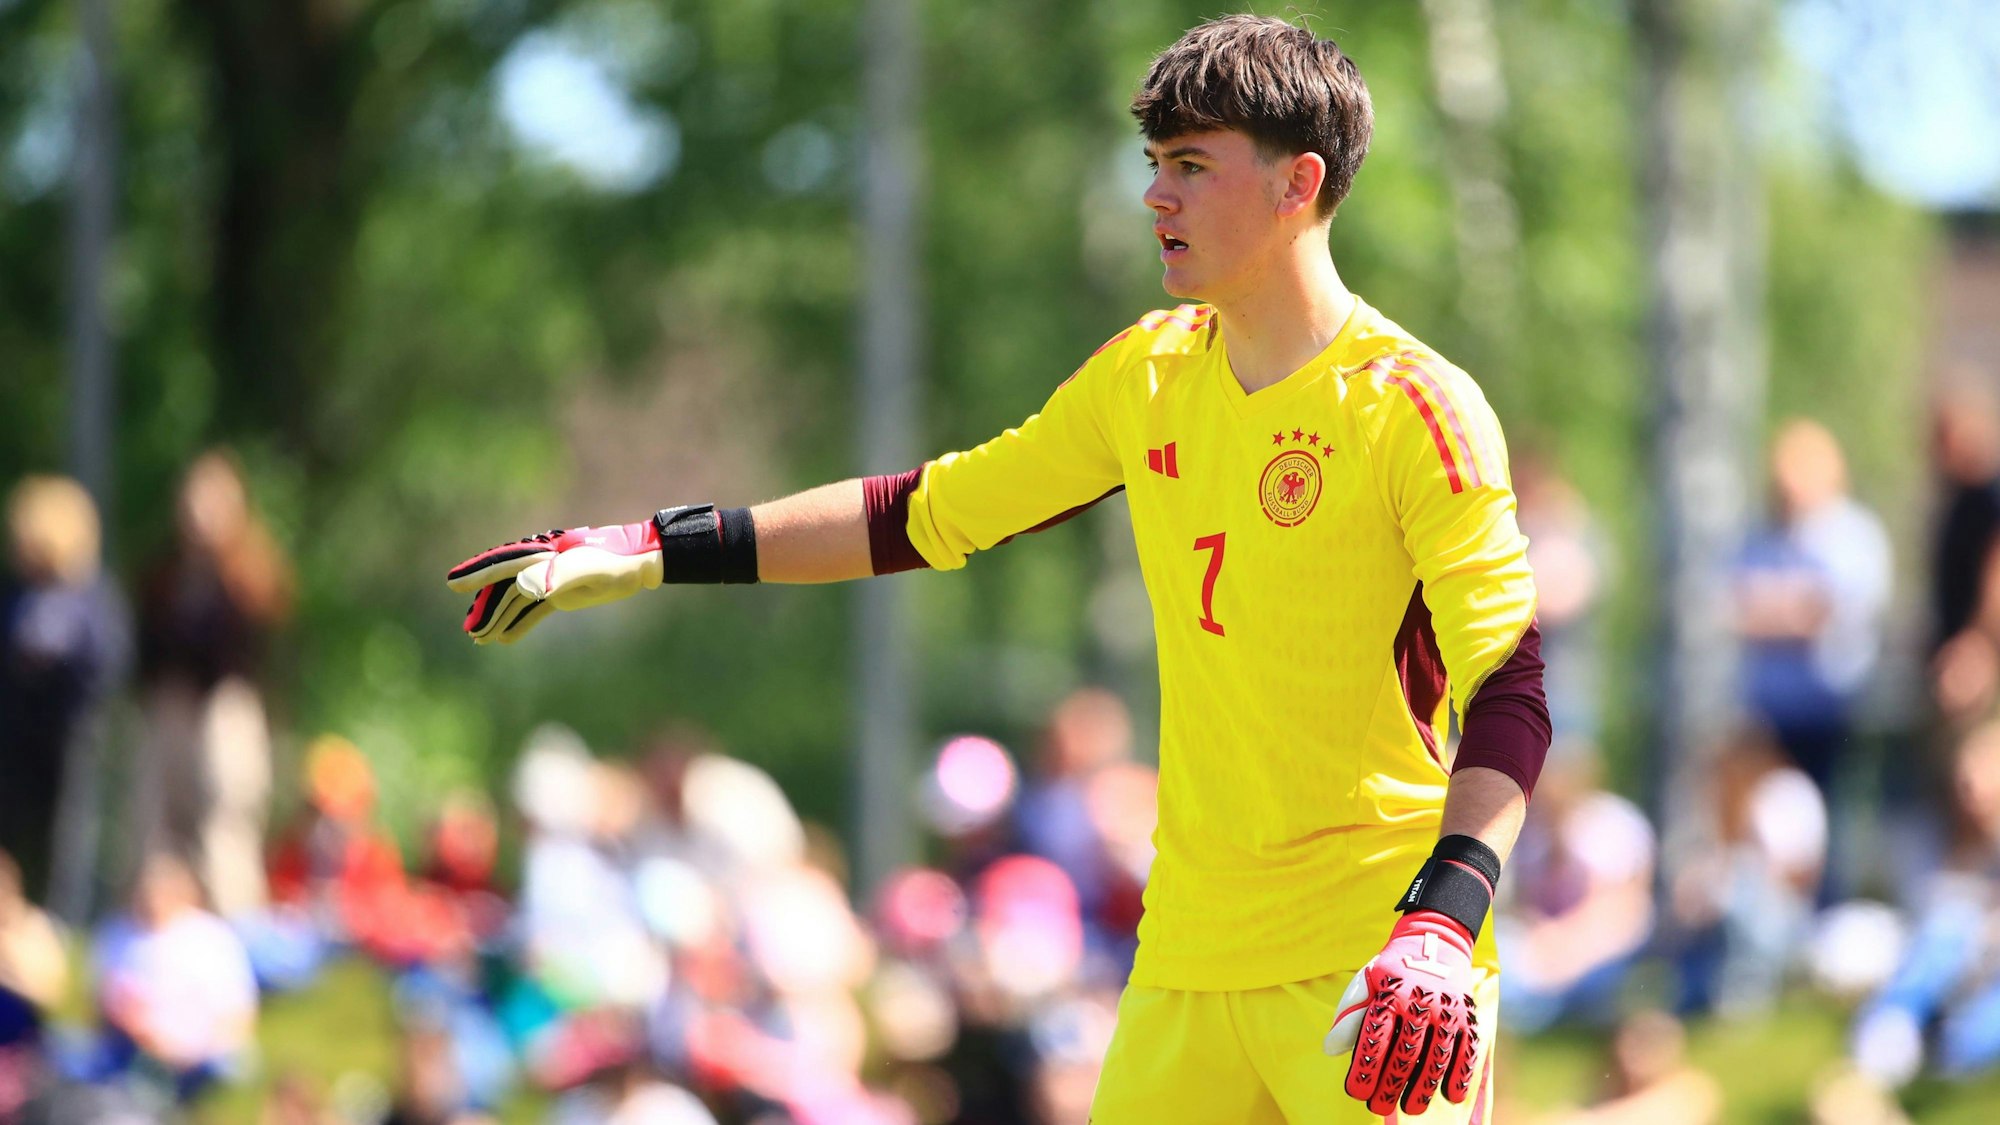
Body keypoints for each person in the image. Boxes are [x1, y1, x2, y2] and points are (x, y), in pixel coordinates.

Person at [446, 15, 1547, 1122]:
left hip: (1375, 968)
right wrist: (649, 551)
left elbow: (1508, 689)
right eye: (1153, 166)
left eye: (1191, 166)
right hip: (1187, 961)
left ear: (1294, 184)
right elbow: (923, 513)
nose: (1155, 197)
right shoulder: (1146, 376)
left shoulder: (1415, 408)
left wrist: (1441, 925)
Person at [0, 475, 130, 910]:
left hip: (70, 737)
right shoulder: (17, 595)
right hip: (16, 736)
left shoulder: (92, 597)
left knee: (67, 839)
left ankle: (62, 920)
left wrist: (54, 670)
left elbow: (107, 663)